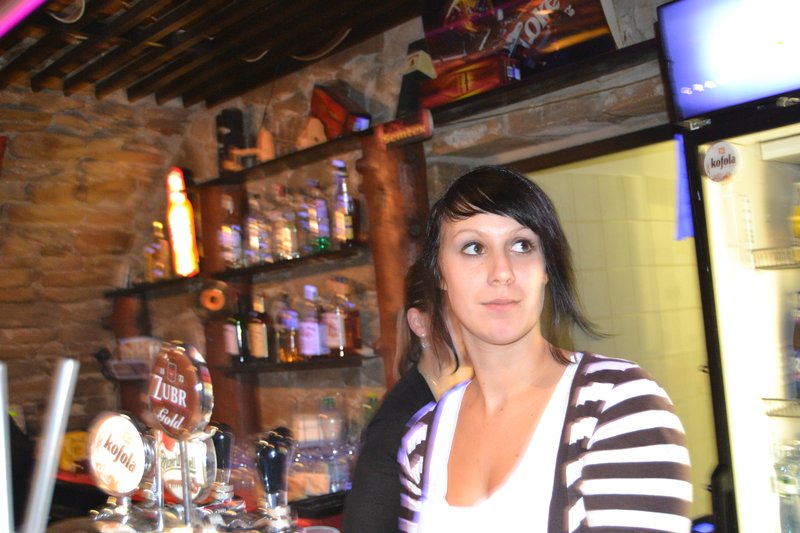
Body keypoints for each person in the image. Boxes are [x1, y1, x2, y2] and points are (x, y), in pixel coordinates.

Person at [398, 166, 692, 532]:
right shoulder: (423, 440)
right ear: (441, 274)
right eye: (473, 248)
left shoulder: (618, 404)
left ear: (546, 269)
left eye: (522, 245)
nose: (501, 271)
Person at [342, 260, 472, 533]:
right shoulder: (397, 424)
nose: (475, 324)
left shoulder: (474, 397)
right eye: (459, 312)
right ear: (419, 323)